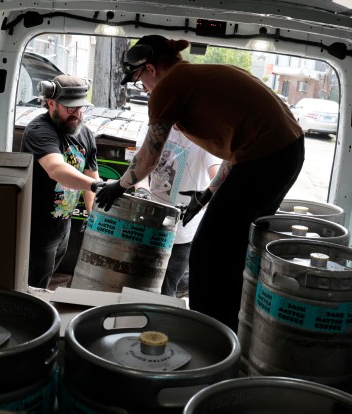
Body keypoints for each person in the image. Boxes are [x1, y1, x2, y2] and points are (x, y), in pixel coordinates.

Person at [95, 35, 305, 332]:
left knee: (209, 252)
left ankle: (212, 333)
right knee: (232, 249)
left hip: (268, 158)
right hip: (284, 153)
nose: (142, 87)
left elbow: (148, 158)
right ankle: (233, 325)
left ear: (152, 69)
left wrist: (120, 185)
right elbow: (237, 152)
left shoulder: (169, 87)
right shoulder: (199, 78)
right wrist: (205, 196)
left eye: (140, 79)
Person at [21, 75, 105, 289]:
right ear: (51, 103)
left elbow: (92, 180)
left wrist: (97, 222)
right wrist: (94, 185)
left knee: (46, 281)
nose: (76, 114)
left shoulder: (85, 133)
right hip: (35, 232)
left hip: (62, 228)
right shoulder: (39, 131)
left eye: (80, 108)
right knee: (32, 289)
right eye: (70, 108)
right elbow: (56, 169)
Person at [134, 127, 221, 297]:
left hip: (181, 233)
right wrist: (142, 190)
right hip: (150, 223)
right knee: (138, 285)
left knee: (165, 291)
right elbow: (140, 166)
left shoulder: (206, 136)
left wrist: (203, 199)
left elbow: (218, 179)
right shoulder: (153, 127)